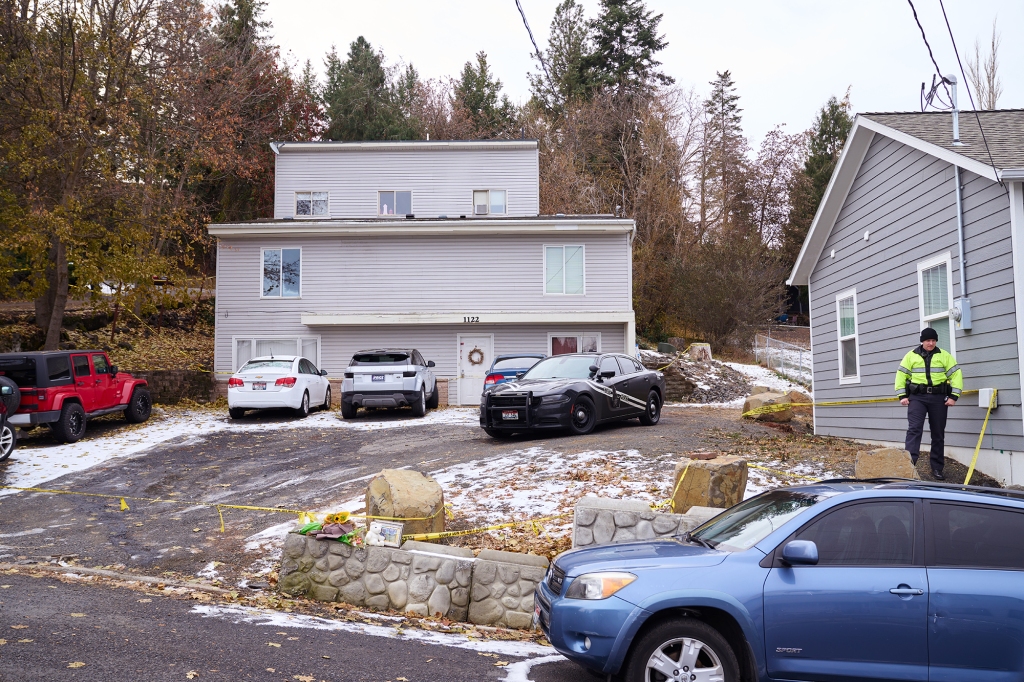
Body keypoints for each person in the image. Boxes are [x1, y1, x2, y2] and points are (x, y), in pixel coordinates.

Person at [894, 328, 963, 480]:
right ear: (922, 341)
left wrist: (954, 396)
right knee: (914, 430)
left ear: (936, 341)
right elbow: (901, 374)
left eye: (933, 340)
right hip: (917, 398)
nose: (930, 343)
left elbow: (956, 374)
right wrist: (902, 395)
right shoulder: (910, 356)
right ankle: (909, 467)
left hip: (938, 398)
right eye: (927, 340)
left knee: (938, 433)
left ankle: (937, 468)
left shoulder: (944, 355)